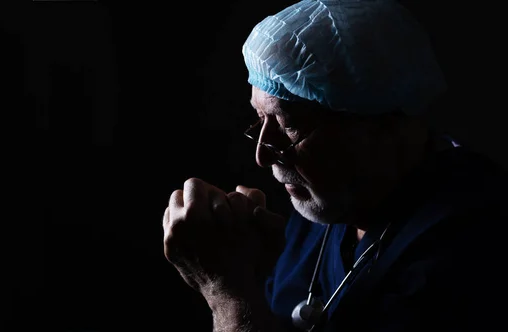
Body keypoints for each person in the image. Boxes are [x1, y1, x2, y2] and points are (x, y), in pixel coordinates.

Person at [162, 1, 508, 331]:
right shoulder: (335, 199)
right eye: (259, 119)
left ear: (383, 124)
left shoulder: (470, 248)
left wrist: (227, 293)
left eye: (289, 125)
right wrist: (252, 268)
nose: (263, 156)